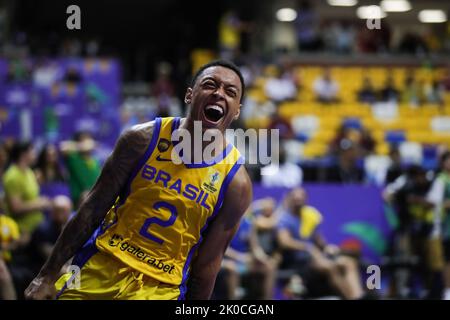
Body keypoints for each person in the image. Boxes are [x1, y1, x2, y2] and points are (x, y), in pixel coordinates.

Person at [25, 60, 252, 300]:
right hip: (100, 269)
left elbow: (208, 264)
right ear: (189, 95)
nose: (218, 93)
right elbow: (91, 210)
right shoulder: (141, 139)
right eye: (210, 85)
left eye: (230, 92)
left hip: (161, 289)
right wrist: (47, 276)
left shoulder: (236, 184)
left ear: (237, 110)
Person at [276, 188, 365, 299]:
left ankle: (358, 297)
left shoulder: (309, 216)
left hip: (316, 257)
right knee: (330, 266)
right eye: (295, 196)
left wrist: (327, 247)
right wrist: (308, 247)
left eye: (301, 196)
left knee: (348, 262)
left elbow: (318, 239)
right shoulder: (284, 219)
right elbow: (285, 242)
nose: (298, 199)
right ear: (290, 198)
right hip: (298, 261)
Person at [2, 141, 52, 236]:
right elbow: (15, 208)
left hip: (38, 221)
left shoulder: (29, 172)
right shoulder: (12, 176)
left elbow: (31, 197)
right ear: (23, 154)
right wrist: (39, 204)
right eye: (32, 151)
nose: (35, 154)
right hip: (24, 227)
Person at [427, 151, 450, 300]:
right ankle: (447, 292)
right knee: (446, 261)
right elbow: (432, 202)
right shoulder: (441, 180)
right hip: (444, 228)